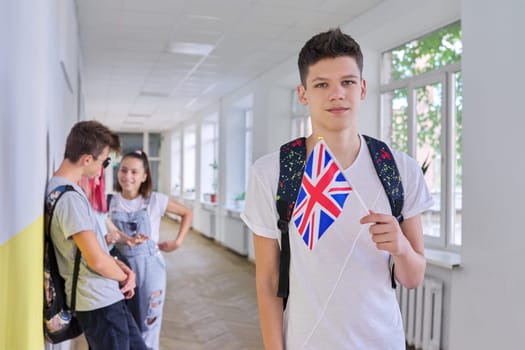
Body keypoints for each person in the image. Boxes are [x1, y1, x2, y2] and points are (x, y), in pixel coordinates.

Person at [241, 28, 434, 349]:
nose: (337, 94)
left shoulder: (399, 169)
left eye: (347, 82)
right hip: (306, 340)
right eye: (321, 85)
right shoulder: (273, 171)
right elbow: (268, 281)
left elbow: (413, 278)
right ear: (303, 94)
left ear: (362, 88)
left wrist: (400, 246)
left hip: (383, 340)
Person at [46, 120, 147, 350]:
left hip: (105, 297)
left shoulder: (67, 190)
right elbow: (97, 261)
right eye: (104, 161)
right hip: (98, 301)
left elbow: (93, 251)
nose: (103, 168)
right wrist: (124, 278)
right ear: (87, 159)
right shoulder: (69, 199)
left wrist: (121, 268)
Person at [109, 150, 193, 350]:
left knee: (149, 324)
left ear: (144, 176)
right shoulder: (109, 202)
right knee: (126, 324)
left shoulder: (155, 200)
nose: (127, 176)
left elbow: (187, 213)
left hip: (151, 270)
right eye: (123, 170)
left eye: (134, 172)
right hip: (120, 271)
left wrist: (178, 241)